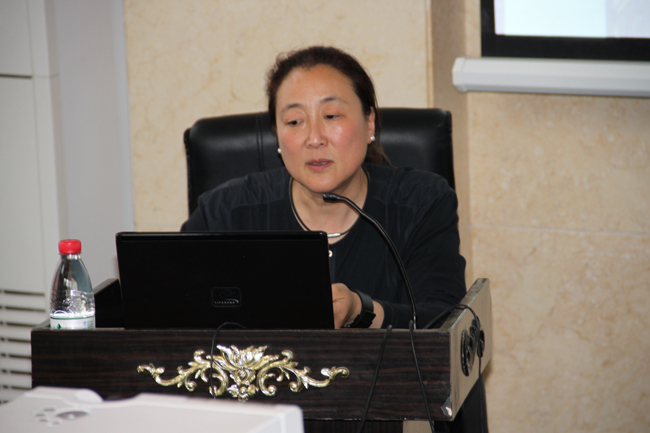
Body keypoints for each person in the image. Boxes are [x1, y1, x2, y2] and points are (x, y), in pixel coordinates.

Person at [181, 46, 466, 329]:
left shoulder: (421, 203)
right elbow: (174, 311)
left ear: (369, 123)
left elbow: (445, 323)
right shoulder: (225, 213)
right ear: (277, 135)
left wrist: (361, 311)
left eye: (331, 116)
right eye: (294, 121)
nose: (314, 138)